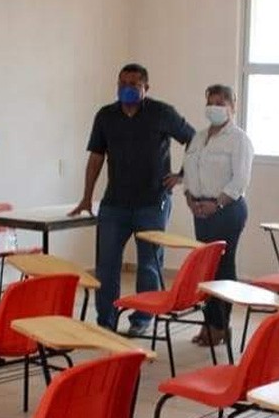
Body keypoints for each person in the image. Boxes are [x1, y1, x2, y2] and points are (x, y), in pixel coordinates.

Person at [71, 63, 196, 335]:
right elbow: (96, 158)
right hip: (114, 204)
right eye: (122, 83)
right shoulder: (106, 116)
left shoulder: (162, 113)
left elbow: (194, 140)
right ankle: (106, 322)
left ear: (145, 88)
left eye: (133, 85)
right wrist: (86, 197)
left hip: (152, 203)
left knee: (149, 266)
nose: (126, 89)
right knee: (106, 267)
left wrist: (182, 175)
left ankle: (142, 319)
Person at [178, 84, 254, 346]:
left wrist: (217, 204)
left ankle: (220, 325)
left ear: (233, 107)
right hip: (200, 210)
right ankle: (209, 323)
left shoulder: (239, 139)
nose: (216, 107)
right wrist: (189, 197)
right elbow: (189, 170)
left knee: (222, 266)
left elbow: (240, 180)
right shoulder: (199, 137)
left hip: (227, 210)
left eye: (222, 103)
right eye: (212, 101)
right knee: (206, 267)